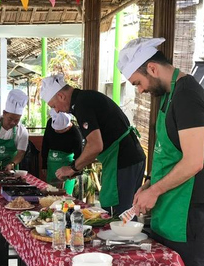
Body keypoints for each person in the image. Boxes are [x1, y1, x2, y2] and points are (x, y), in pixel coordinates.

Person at [118, 37, 204, 266]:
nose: (139, 90)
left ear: (152, 68)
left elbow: (194, 161)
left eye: (138, 83)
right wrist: (151, 184)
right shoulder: (168, 96)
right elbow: (171, 155)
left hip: (188, 212)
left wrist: (155, 190)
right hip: (169, 206)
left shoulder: (187, 95)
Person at [41, 73, 146, 215]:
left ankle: (123, 238)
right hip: (129, 157)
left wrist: (73, 168)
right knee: (126, 212)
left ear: (61, 96)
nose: (56, 111)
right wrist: (78, 168)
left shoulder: (82, 104)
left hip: (122, 160)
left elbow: (95, 145)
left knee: (120, 214)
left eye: (54, 106)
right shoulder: (85, 98)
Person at [41, 109, 83, 195]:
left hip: (66, 166)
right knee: (50, 193)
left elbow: (80, 158)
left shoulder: (76, 135)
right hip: (51, 164)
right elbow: (45, 143)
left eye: (60, 130)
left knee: (65, 196)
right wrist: (44, 164)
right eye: (55, 129)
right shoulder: (50, 123)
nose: (56, 131)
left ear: (68, 127)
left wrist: (72, 171)